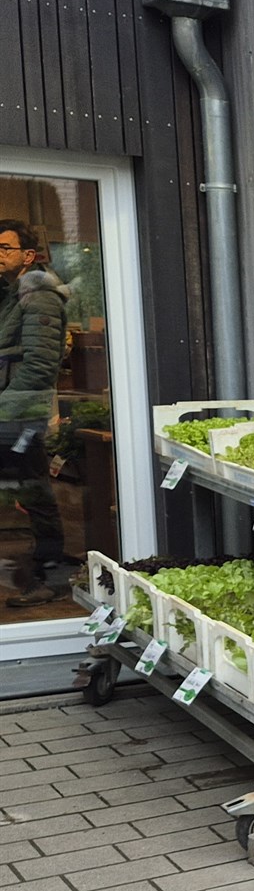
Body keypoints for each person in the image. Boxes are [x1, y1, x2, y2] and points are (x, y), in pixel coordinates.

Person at [0, 220, 70, 607]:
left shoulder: (39, 293)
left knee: (33, 489)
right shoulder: (14, 293)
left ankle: (49, 577)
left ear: (28, 256)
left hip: (18, 412)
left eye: (4, 249)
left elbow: (41, 364)